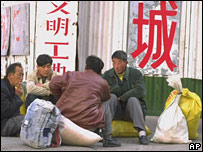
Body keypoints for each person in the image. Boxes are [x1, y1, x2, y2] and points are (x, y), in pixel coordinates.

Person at [49, 55, 121, 147]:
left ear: (86, 66)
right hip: (88, 127)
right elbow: (106, 98)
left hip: (65, 122)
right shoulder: (102, 82)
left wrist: (61, 97)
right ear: (100, 71)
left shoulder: (72, 75)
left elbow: (53, 84)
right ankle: (108, 138)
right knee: (110, 99)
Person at [102, 50, 149, 145]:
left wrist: (123, 97)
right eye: (114, 62)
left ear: (126, 63)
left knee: (133, 99)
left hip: (131, 112)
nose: (116, 66)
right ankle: (106, 135)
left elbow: (141, 91)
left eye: (119, 62)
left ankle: (142, 134)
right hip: (115, 111)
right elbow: (103, 92)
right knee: (112, 97)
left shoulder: (135, 74)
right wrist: (119, 92)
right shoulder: (107, 75)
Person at [1, 62, 25, 136]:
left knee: (29, 117)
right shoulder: (2, 89)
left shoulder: (11, 87)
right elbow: (6, 112)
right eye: (19, 75)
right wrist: (17, 96)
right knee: (28, 120)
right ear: (10, 75)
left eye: (22, 75)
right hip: (3, 125)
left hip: (7, 121)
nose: (21, 78)